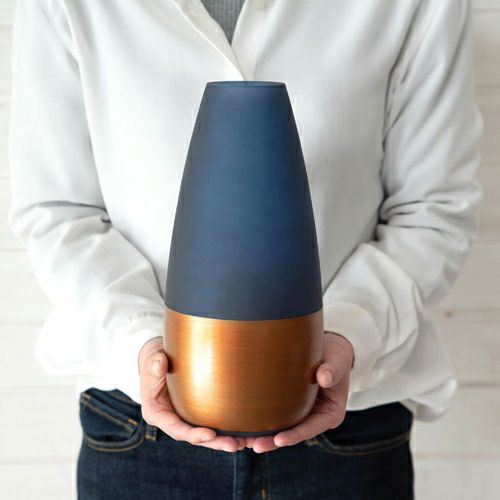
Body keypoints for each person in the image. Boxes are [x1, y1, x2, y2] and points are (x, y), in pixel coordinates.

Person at [7, 0, 482, 499]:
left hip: (348, 432)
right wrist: (143, 345)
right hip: (137, 432)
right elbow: (58, 210)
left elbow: (434, 209)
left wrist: (349, 334)